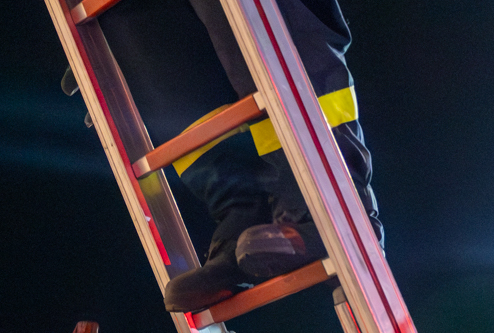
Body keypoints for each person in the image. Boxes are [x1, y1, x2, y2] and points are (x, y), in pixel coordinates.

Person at [91, 0, 381, 312]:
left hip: (323, 180)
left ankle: (328, 202)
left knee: (266, 26)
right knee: (144, 36)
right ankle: (243, 212)